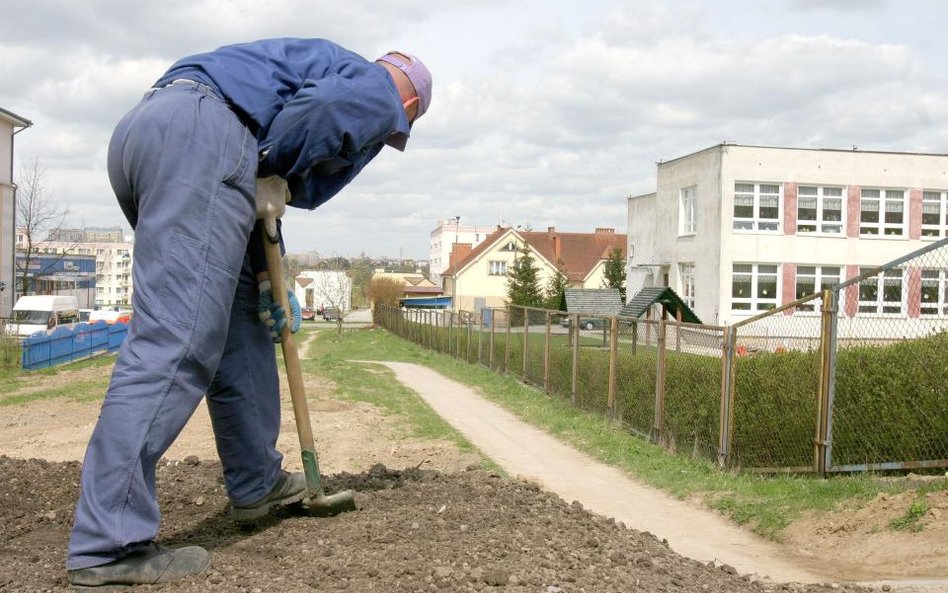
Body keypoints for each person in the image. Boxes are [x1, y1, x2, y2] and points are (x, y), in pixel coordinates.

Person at [66, 38, 432, 588]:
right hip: (203, 140)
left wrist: (267, 274)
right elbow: (295, 141)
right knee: (177, 339)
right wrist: (269, 167)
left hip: (151, 131)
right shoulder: (380, 87)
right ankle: (106, 543)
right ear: (409, 107)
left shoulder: (294, 67)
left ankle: (257, 484)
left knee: (239, 327)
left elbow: (261, 181)